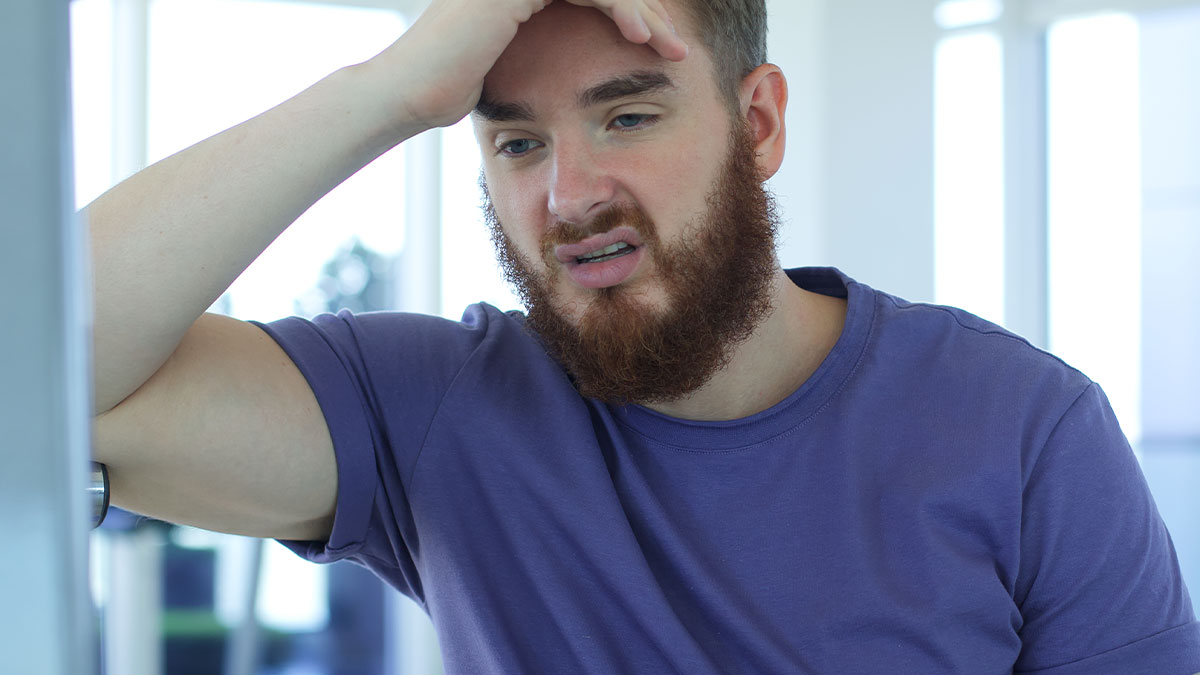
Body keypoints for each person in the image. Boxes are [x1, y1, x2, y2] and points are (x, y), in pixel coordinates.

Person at [86, 0, 1200, 672]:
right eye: (516, 144)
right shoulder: (427, 414)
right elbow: (38, 368)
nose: (569, 194)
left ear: (755, 126)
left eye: (627, 116)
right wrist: (388, 90)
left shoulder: (1024, 429)